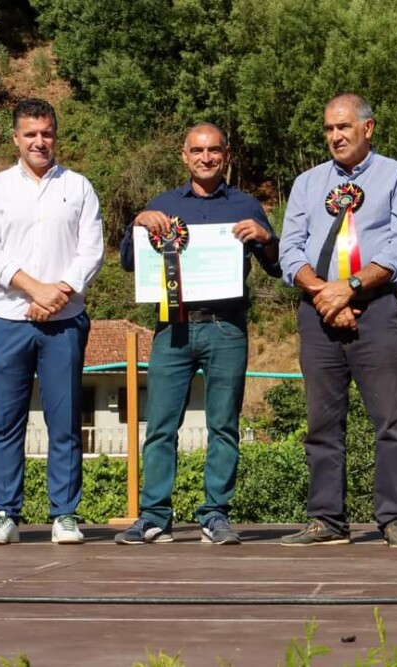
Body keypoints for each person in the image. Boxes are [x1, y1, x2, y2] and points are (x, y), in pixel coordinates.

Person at [114, 122, 281, 546]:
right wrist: (138, 223)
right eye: (197, 151)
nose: (205, 158)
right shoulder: (162, 205)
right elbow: (130, 263)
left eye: (214, 151)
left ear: (226, 155)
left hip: (227, 329)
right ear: (184, 156)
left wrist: (265, 237)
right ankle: (153, 516)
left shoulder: (246, 205)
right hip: (173, 329)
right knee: (161, 425)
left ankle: (215, 514)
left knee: (223, 425)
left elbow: (277, 267)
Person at [278, 93, 397, 549]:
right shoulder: (306, 183)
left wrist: (352, 287)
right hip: (317, 309)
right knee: (322, 422)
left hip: (377, 308)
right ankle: (326, 520)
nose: (335, 136)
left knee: (389, 419)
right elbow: (289, 249)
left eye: (343, 127)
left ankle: (393, 518)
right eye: (328, 129)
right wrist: (324, 292)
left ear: (368, 128)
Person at [0, 99, 104, 545]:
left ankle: (64, 513)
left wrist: (58, 294)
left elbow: (92, 251)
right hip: (7, 319)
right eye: (30, 134)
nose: (39, 141)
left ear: (56, 135)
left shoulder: (79, 186)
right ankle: (4, 513)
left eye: (46, 133)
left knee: (64, 419)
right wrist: (35, 290)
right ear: (15, 138)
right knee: (6, 421)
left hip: (64, 320)